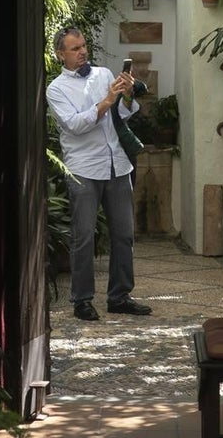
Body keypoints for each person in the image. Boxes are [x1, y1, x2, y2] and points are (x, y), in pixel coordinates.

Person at [46, 26, 152, 321]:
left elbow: (123, 115)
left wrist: (126, 96)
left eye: (83, 46)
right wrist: (106, 101)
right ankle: (82, 300)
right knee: (83, 237)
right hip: (84, 168)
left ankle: (120, 297)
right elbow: (75, 125)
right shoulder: (56, 89)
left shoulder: (104, 74)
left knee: (124, 235)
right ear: (61, 54)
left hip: (117, 164)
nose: (82, 52)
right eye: (75, 48)